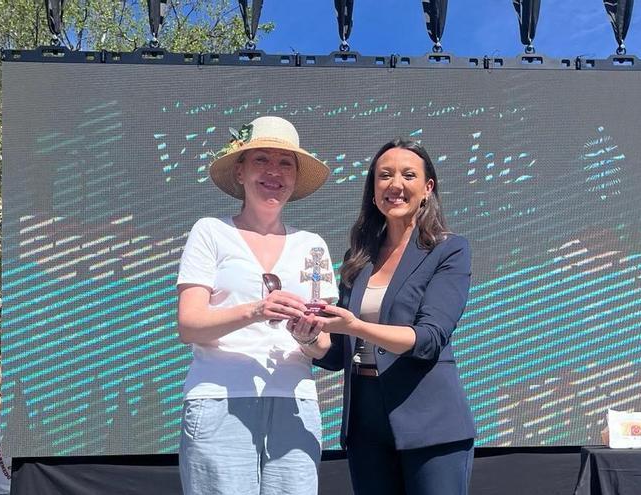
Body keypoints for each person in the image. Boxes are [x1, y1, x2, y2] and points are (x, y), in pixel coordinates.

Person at [175, 116, 337, 495]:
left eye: (285, 163)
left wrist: (307, 336)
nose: (273, 172)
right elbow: (190, 324)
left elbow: (323, 345)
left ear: (296, 176)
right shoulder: (211, 232)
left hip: (294, 401)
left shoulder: (312, 244)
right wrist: (256, 310)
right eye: (261, 159)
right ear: (241, 170)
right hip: (219, 398)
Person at [306, 138, 476, 494]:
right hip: (365, 422)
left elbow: (429, 339)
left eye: (408, 175)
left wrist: (357, 326)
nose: (395, 185)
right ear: (373, 191)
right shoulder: (359, 255)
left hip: (430, 421)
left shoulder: (449, 249)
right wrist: (306, 334)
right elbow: (338, 353)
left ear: (427, 188)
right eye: (384, 176)